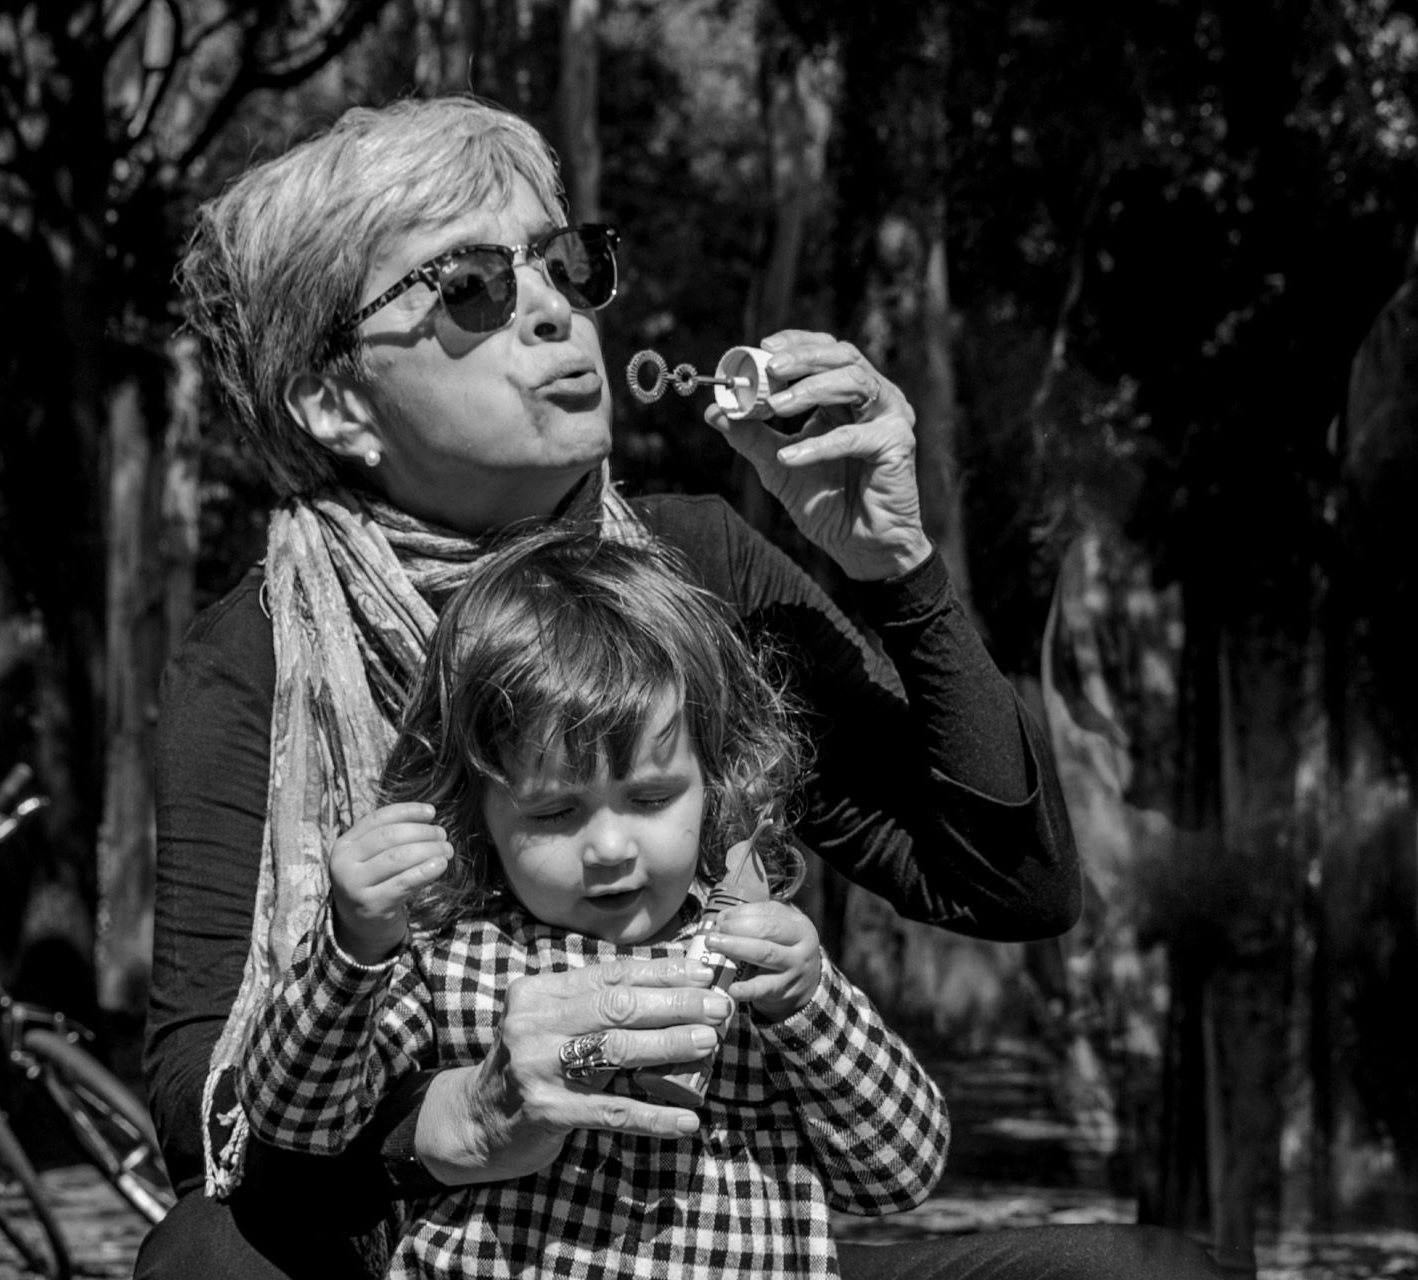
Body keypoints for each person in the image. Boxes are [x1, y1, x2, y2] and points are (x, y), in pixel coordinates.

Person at [138, 93, 1221, 1278]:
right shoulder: (257, 653)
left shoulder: (692, 566)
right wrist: (460, 1115)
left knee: (1154, 1273)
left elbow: (1010, 882)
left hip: (716, 1242)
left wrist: (897, 568)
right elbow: (209, 1124)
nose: (551, 309)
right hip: (434, 1245)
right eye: (470, 288)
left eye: (561, 263)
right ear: (334, 401)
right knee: (200, 1256)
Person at [241, 528, 948, 1275]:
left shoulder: (755, 969)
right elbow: (296, 1119)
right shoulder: (455, 957)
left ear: (718, 779)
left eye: (650, 797)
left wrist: (811, 1003)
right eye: (553, 813)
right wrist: (353, 948)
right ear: (475, 810)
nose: (610, 847)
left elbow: (899, 1175)